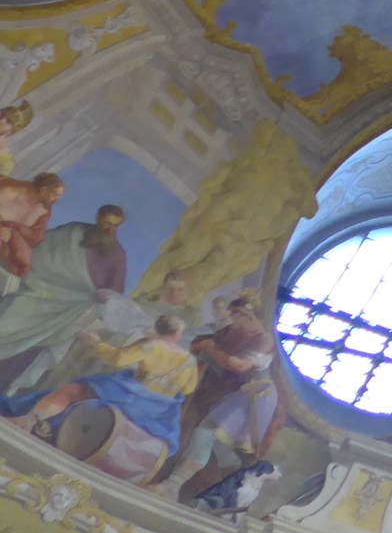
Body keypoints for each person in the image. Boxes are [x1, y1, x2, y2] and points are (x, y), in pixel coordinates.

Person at [2, 314, 198, 466]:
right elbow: (188, 388)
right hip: (159, 408)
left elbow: (118, 359)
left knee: (73, 389)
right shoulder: (189, 360)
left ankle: (28, 421)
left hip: (131, 396)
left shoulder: (151, 346)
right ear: (177, 334)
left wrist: (96, 342)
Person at [155, 292, 279, 501]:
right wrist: (203, 346)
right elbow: (199, 345)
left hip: (256, 394)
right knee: (218, 444)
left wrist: (211, 349)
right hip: (237, 391)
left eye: (235, 314)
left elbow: (239, 365)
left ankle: (172, 485)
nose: (231, 318)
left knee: (205, 434)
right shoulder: (232, 332)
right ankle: (229, 490)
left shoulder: (263, 339)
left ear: (248, 316)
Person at [0, 202, 127, 391]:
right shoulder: (72, 232)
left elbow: (115, 294)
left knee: (32, 351)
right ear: (98, 218)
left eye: (115, 225)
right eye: (107, 222)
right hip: (37, 293)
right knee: (7, 324)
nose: (109, 228)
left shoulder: (118, 255)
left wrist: (104, 301)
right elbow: (41, 250)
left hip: (69, 313)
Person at [0, 171, 62, 283]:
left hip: (8, 244)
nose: (57, 200)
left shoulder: (43, 210)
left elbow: (36, 237)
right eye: (54, 194)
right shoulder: (13, 190)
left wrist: (16, 227)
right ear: (44, 190)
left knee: (24, 262)